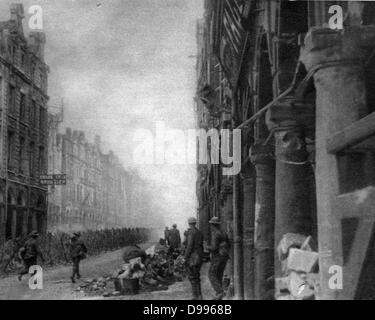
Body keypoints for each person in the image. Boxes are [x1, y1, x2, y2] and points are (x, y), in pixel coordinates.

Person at [206, 217, 230, 300]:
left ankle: (220, 292)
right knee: (219, 274)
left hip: (217, 257)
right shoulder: (224, 233)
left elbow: (214, 248)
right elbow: (229, 244)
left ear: (213, 225)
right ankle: (219, 295)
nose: (211, 227)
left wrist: (207, 247)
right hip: (224, 257)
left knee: (211, 274)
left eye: (211, 225)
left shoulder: (215, 233)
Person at [184, 217, 204, 300]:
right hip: (199, 256)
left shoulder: (191, 233)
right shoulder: (199, 232)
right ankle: (199, 295)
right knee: (197, 276)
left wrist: (185, 257)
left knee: (192, 277)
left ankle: (195, 296)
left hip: (193, 257)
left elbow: (189, 246)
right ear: (195, 223)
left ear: (189, 224)